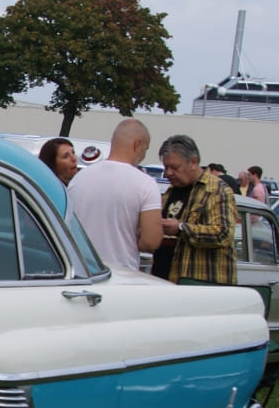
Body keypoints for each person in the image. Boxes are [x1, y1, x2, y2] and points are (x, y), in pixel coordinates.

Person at [65, 119, 162, 271]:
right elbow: (151, 242)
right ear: (137, 144)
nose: (144, 154)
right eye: (145, 149)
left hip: (81, 269)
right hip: (121, 273)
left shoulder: (79, 178)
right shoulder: (146, 184)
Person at [153, 134, 236, 285]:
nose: (168, 173)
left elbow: (222, 234)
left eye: (174, 167)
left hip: (199, 287)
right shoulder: (170, 191)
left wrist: (180, 229)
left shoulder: (217, 190)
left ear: (193, 162)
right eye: (166, 167)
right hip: (164, 281)